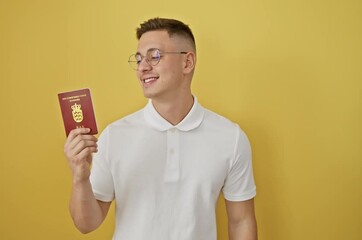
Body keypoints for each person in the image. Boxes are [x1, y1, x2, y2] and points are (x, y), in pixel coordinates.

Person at [64, 17, 257, 240]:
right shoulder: (113, 136)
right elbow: (86, 224)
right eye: (138, 59)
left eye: (154, 56)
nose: (143, 67)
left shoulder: (230, 138)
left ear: (187, 62)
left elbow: (241, 222)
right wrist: (80, 177)